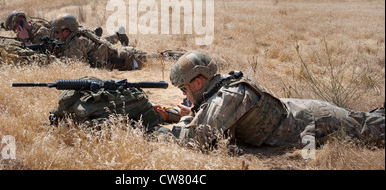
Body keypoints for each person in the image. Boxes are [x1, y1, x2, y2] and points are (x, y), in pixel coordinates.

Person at [158, 51, 385, 148]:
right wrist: (171, 114)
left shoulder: (228, 97)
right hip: (304, 112)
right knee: (371, 119)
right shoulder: (218, 88)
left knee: (374, 128)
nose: (184, 96)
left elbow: (194, 139)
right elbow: (204, 114)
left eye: (184, 89)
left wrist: (153, 131)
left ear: (197, 83)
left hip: (318, 121)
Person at [51, 13, 147, 71]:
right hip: (123, 54)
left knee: (155, 59)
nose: (56, 35)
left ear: (67, 31)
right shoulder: (78, 33)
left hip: (129, 59)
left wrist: (52, 60)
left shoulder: (77, 43)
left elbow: (74, 67)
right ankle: (117, 35)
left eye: (57, 32)